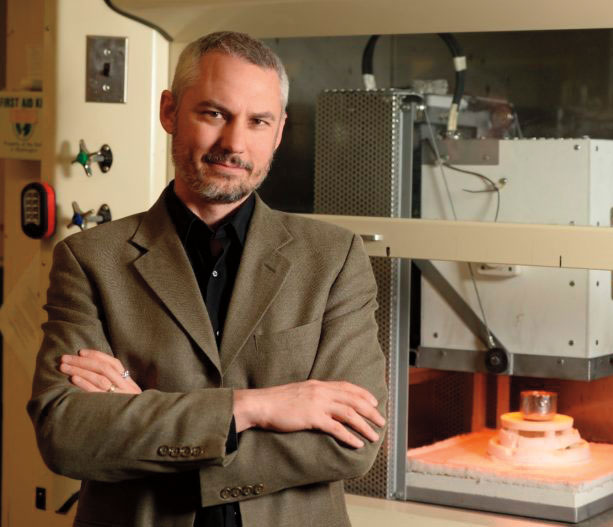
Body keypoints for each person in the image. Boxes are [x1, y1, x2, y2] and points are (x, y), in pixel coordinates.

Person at [27, 31, 386, 527]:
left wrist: (145, 425)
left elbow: (354, 443)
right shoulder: (90, 260)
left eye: (258, 121)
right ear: (170, 112)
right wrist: (259, 406)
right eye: (214, 114)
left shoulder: (333, 259)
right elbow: (67, 435)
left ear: (279, 132)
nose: (234, 144)